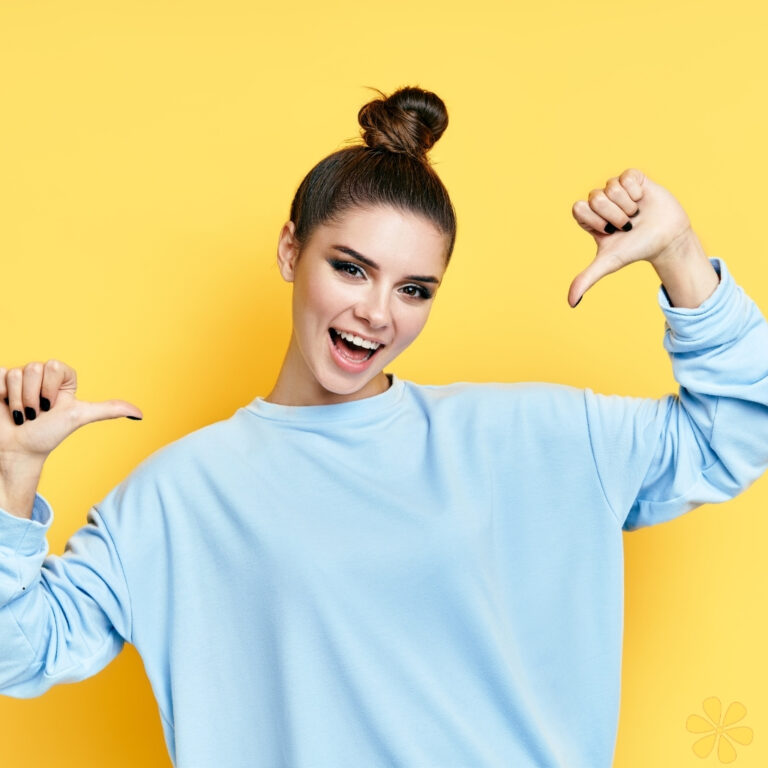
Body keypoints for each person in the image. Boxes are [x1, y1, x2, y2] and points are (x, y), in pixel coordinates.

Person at [1, 85, 767, 768]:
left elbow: (736, 431)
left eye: (414, 288)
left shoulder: (527, 436)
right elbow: (20, 652)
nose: (376, 313)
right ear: (290, 249)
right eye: (350, 268)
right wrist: (11, 478)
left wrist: (678, 252)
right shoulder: (178, 497)